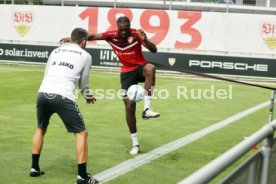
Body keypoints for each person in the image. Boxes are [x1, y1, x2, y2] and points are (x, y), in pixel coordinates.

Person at [61, 16, 160, 155]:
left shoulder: (137, 34)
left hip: (140, 68)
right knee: (129, 107)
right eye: (122, 30)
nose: (124, 32)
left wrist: (145, 40)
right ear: (117, 27)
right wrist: (73, 40)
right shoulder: (110, 35)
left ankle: (147, 109)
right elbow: (92, 36)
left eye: (126, 29)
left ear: (130, 26)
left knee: (150, 68)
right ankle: (135, 144)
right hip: (126, 73)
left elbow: (154, 50)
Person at [30, 28, 99, 184]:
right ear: (84, 41)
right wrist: (88, 95)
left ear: (71, 38)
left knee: (41, 127)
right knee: (81, 133)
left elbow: (46, 73)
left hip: (43, 92)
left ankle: (34, 168)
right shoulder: (86, 55)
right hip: (63, 96)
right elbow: (84, 83)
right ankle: (82, 177)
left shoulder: (56, 51)